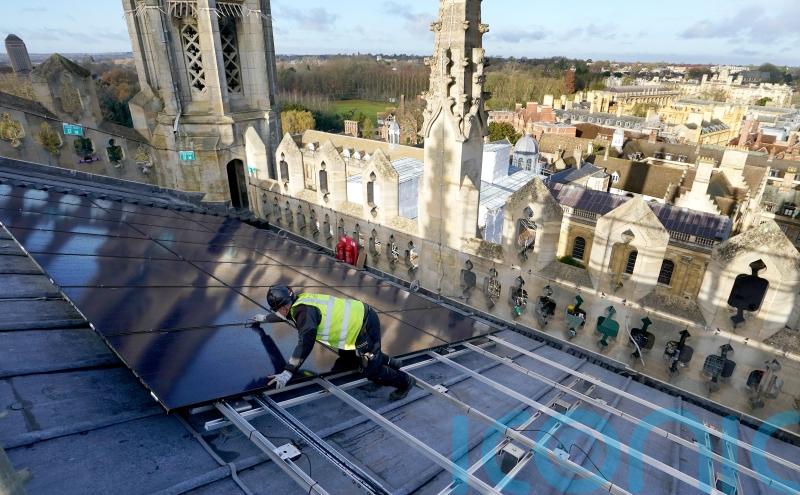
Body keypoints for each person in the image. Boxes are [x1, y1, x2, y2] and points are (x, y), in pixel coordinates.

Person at [264, 285, 417, 400]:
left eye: (277, 310)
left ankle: (405, 382)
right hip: (358, 320)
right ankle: (392, 362)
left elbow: (305, 343)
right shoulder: (298, 302)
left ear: (283, 307)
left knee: (371, 371)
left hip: (364, 326)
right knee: (347, 356)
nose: (278, 313)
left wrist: (288, 371)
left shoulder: (304, 313)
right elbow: (286, 316)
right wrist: (264, 318)